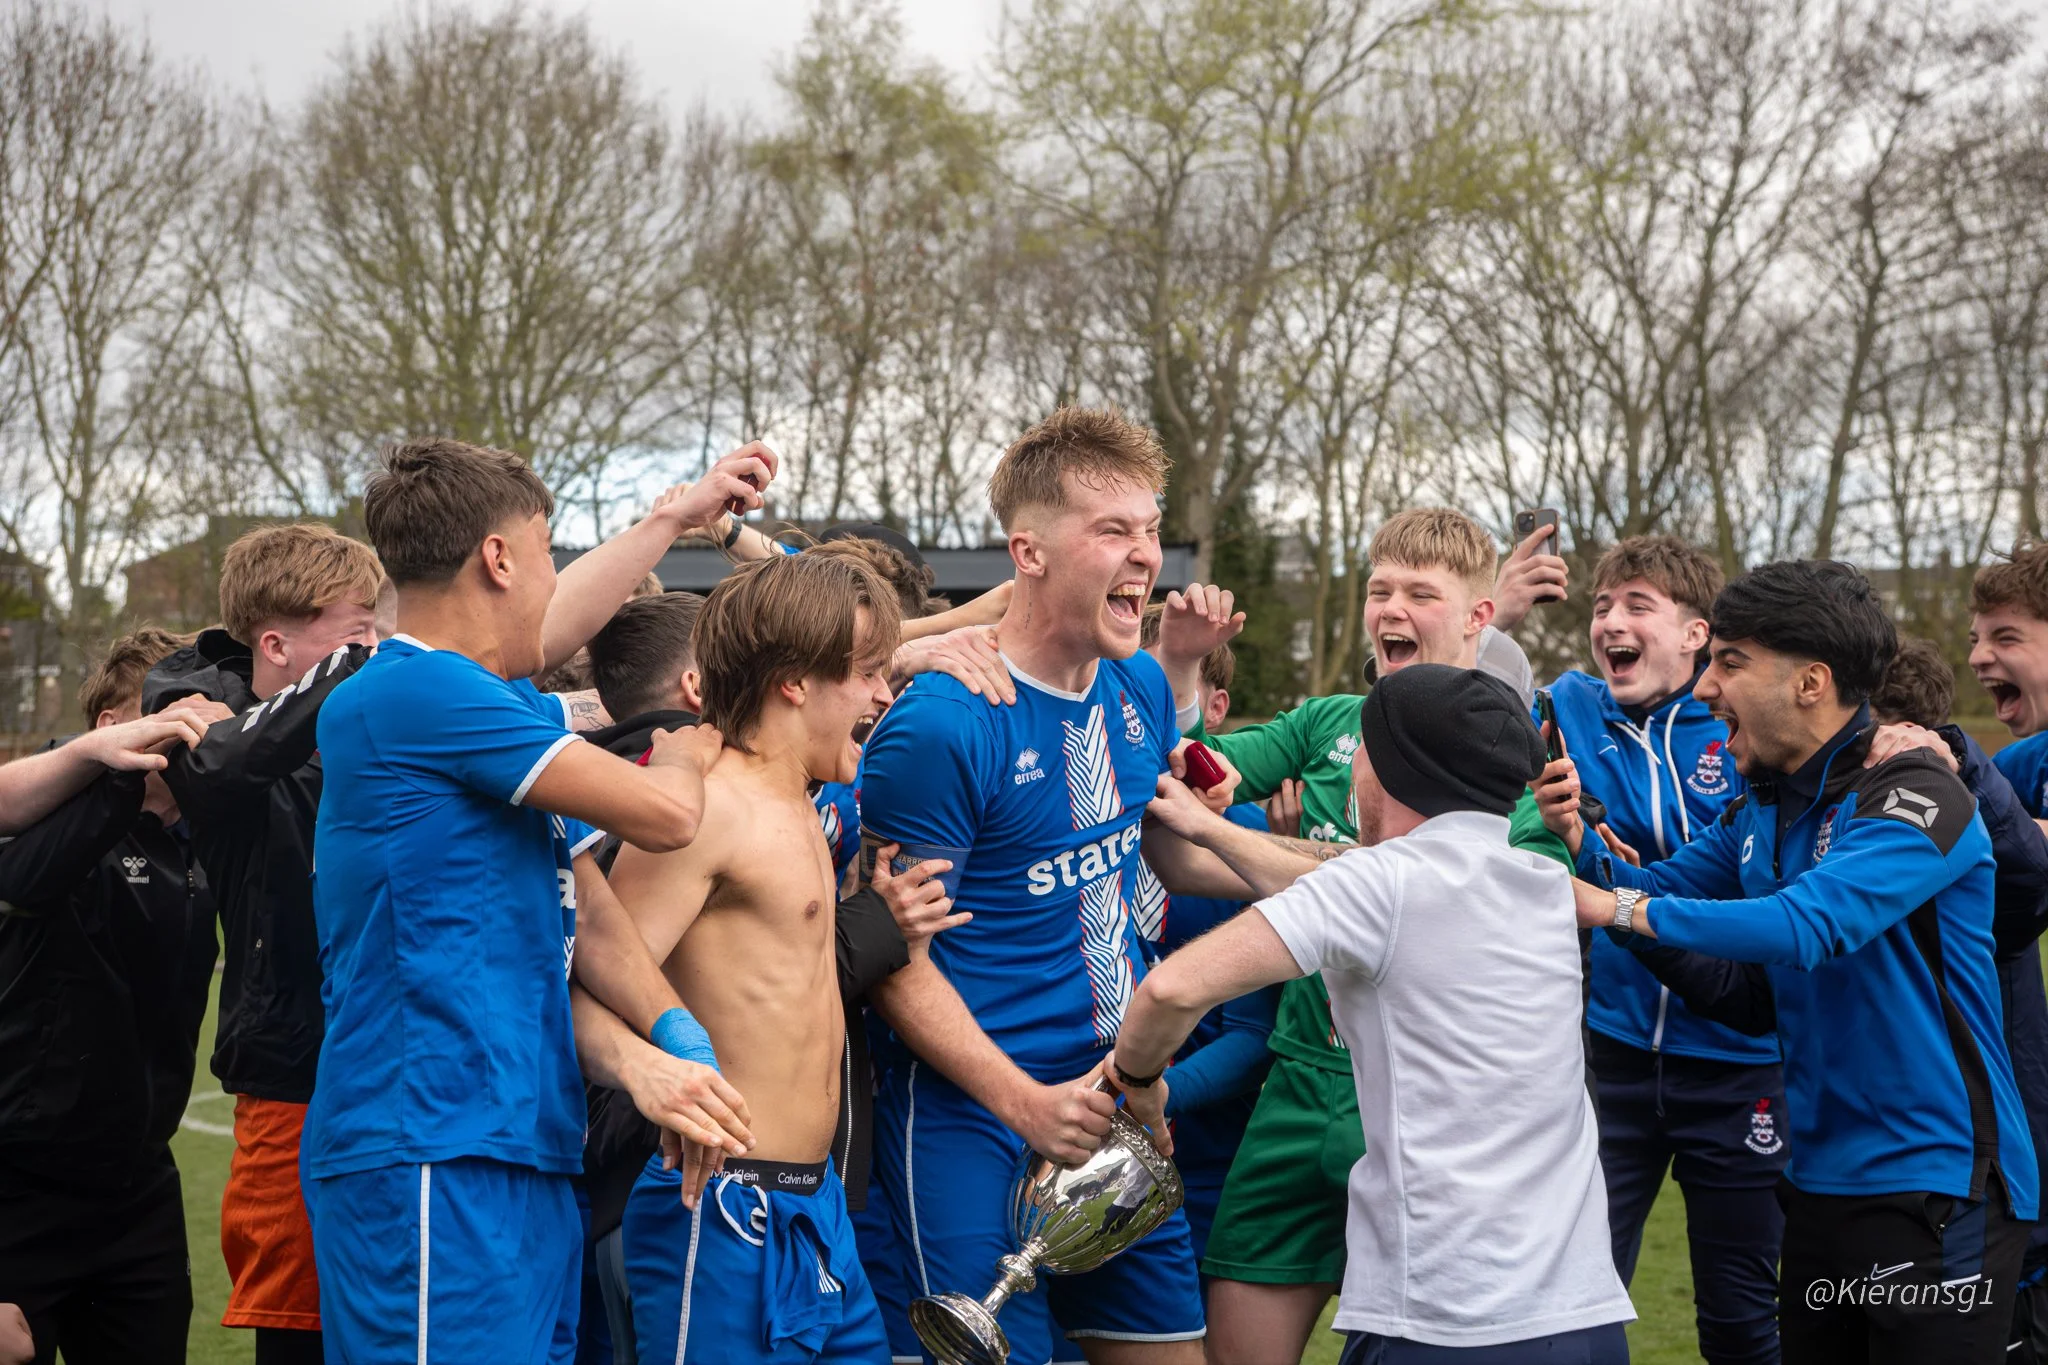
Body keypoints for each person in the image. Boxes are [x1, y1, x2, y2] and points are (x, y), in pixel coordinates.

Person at [305, 437, 766, 1362]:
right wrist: (686, 734)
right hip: (430, 1142)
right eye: (548, 549)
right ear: (499, 558)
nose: (558, 578)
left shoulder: (484, 703)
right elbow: (672, 815)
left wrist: (677, 1042)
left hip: (521, 1141)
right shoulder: (420, 690)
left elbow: (589, 909)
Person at [1574, 560, 2036, 1364]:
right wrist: (1579, 861)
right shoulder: (1761, 803)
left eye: (1730, 661)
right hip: (1818, 1189)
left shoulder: (1914, 790)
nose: (1706, 685)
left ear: (1811, 681)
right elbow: (1660, 897)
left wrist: (1614, 905)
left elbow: (1807, 923)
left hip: (1938, 1193)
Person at [1119, 664, 1636, 1363]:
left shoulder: (1374, 886)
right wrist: (1206, 833)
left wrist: (1142, 1086)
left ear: (1388, 768)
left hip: (1441, 1320)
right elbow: (1362, 896)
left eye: (1359, 747)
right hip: (1582, 1315)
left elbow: (1170, 990)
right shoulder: (1542, 880)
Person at [1149, 507, 1570, 1364]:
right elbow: (1191, 777)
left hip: (1422, 1105)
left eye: (1421, 592)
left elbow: (1429, 898)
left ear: (1479, 616)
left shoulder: (1510, 768)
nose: (1392, 609)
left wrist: (1259, 847)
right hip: (1298, 1087)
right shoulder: (1327, 722)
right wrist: (1183, 668)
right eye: (1381, 589)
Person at [858, 407, 1225, 1365]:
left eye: (1149, 529)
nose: (1145, 555)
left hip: (1116, 1110)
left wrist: (1329, 885)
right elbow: (894, 959)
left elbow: (1164, 857)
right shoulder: (940, 725)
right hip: (975, 1118)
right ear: (1027, 550)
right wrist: (1024, 1102)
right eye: (1113, 531)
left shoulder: (1137, 685)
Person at [595, 552, 919, 1363]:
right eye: (869, 672)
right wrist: (653, 1070)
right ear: (795, 682)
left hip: (819, 1209)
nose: (885, 693)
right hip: (720, 1204)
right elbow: (587, 974)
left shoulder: (802, 802)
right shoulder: (708, 811)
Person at [1529, 535, 1783, 1365]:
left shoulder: (1742, 726)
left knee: (1744, 1324)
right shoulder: (1564, 706)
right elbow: (1459, 696)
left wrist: (1602, 855)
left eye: (1639, 605)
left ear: (1696, 634)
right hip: (1612, 1059)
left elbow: (1715, 879)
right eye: (1603, 607)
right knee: (1567, 1300)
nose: (1611, 622)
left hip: (1742, 1064)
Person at [0, 631, 226, 1365]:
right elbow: (25, 882)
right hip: (21, 1186)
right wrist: (116, 773)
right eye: (171, 708)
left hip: (137, 1184)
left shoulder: (198, 839)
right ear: (113, 726)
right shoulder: (40, 821)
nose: (191, 725)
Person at [1131, 612, 1280, 1264]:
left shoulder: (1251, 836)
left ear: (1212, 708)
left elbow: (1253, 1034)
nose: (1134, 714)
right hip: (1070, 1131)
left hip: (1205, 1161)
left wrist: (1156, 1095)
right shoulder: (1071, 806)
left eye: (1159, 694)